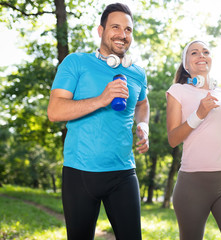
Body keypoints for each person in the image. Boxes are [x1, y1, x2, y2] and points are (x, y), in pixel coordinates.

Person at [47, 3, 149, 240]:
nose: (122, 34)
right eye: (115, 27)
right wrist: (102, 99)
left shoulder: (137, 73)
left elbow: (142, 104)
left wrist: (142, 125)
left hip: (123, 173)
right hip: (80, 172)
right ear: (100, 30)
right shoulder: (76, 62)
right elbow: (54, 111)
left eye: (128, 29)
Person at [166, 40, 221, 240]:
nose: (201, 55)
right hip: (192, 184)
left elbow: (214, 139)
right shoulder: (177, 91)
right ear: (186, 64)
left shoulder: (219, 93)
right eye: (194, 52)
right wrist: (199, 114)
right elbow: (172, 139)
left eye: (205, 51)